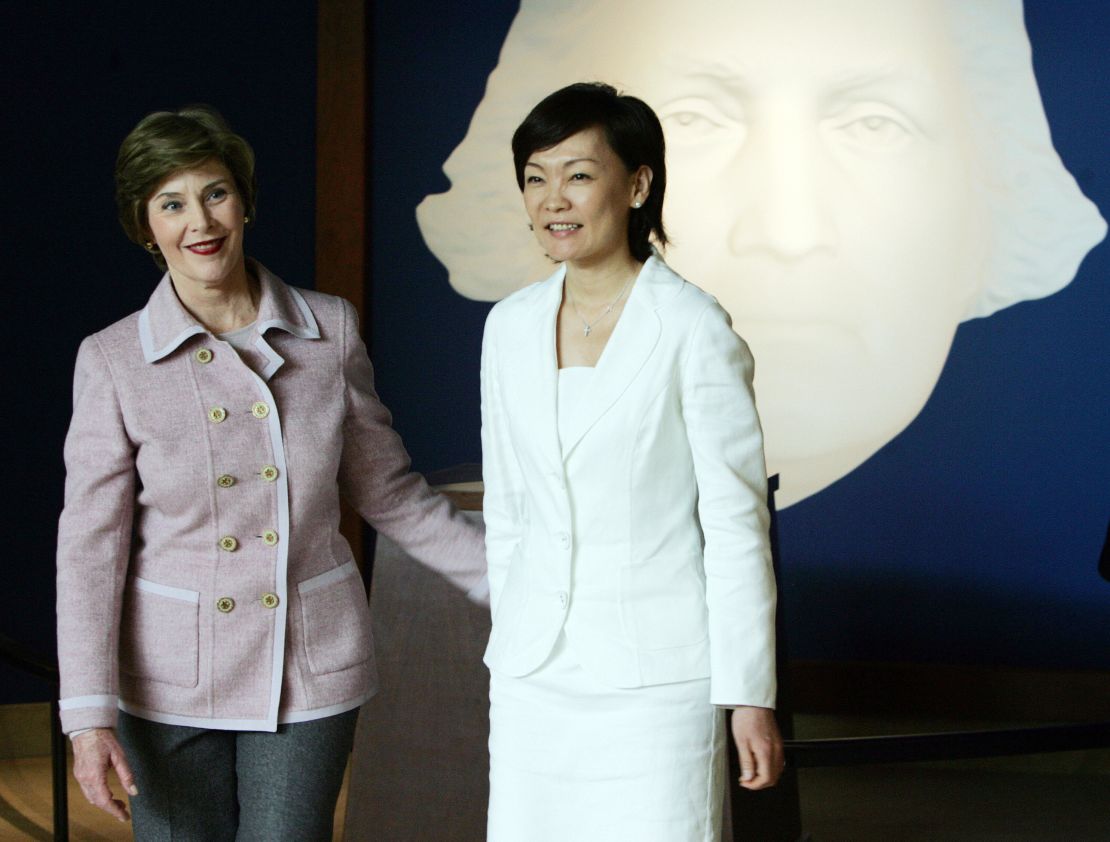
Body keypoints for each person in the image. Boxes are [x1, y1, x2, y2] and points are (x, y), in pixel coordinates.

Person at [420, 0, 1106, 508]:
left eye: (873, 124)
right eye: (695, 118)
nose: (787, 230)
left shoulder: (697, 325)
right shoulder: (515, 330)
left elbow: (730, 544)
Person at [55, 105, 487, 840]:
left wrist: (510, 573)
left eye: (216, 192)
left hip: (309, 665)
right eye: (172, 202)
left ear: (246, 200)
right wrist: (88, 714)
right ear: (147, 226)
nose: (201, 219)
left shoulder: (330, 331)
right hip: (168, 678)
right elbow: (91, 547)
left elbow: (389, 494)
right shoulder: (113, 359)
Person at [480, 82, 782, 841]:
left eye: (579, 174)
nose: (555, 199)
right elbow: (509, 513)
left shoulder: (692, 326)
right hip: (531, 677)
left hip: (656, 682)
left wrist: (749, 692)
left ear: (638, 183)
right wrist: (513, 634)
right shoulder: (508, 328)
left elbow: (735, 524)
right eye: (535, 177)